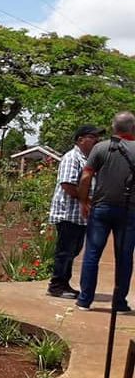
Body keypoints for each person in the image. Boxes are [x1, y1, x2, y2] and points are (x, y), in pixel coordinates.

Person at [76, 111, 135, 312]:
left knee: (92, 253)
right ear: (132, 128)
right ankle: (119, 303)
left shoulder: (101, 148)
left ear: (113, 127)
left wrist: (84, 201)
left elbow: (85, 178)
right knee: (125, 256)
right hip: (129, 211)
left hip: (101, 207)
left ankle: (85, 300)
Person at [47, 125, 104, 298]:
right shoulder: (72, 158)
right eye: (92, 137)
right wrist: (85, 200)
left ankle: (64, 283)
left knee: (73, 251)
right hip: (68, 214)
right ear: (80, 139)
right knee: (65, 251)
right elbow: (67, 184)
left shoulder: (89, 159)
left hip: (79, 216)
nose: (97, 140)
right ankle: (56, 286)